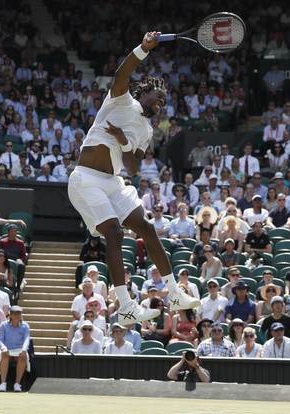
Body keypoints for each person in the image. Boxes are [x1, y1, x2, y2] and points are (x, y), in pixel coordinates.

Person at [66, 32, 198, 325]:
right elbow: (122, 72)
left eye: (165, 99)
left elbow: (134, 167)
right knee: (114, 232)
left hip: (113, 182)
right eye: (158, 95)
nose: (162, 100)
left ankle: (174, 292)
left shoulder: (148, 131)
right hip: (85, 179)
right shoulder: (120, 100)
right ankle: (125, 305)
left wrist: (124, 141)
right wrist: (143, 48)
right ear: (142, 93)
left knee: (147, 228)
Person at [0, 305, 31, 392]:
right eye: (15, 313)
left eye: (19, 313)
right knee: (4, 355)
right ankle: (3, 384)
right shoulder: (3, 325)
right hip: (7, 349)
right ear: (10, 315)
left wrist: (24, 349)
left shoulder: (25, 326)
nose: (17, 315)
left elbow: (27, 339)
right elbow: (0, 339)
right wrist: (3, 348)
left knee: (23, 356)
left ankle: (17, 384)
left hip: (19, 349)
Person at [0, 224, 27, 291]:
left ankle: (18, 286)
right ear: (8, 232)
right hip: (4, 260)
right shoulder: (2, 242)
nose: (13, 233)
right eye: (11, 231)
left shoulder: (20, 243)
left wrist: (20, 260)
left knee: (21, 265)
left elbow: (24, 256)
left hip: (16, 260)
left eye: (15, 231)